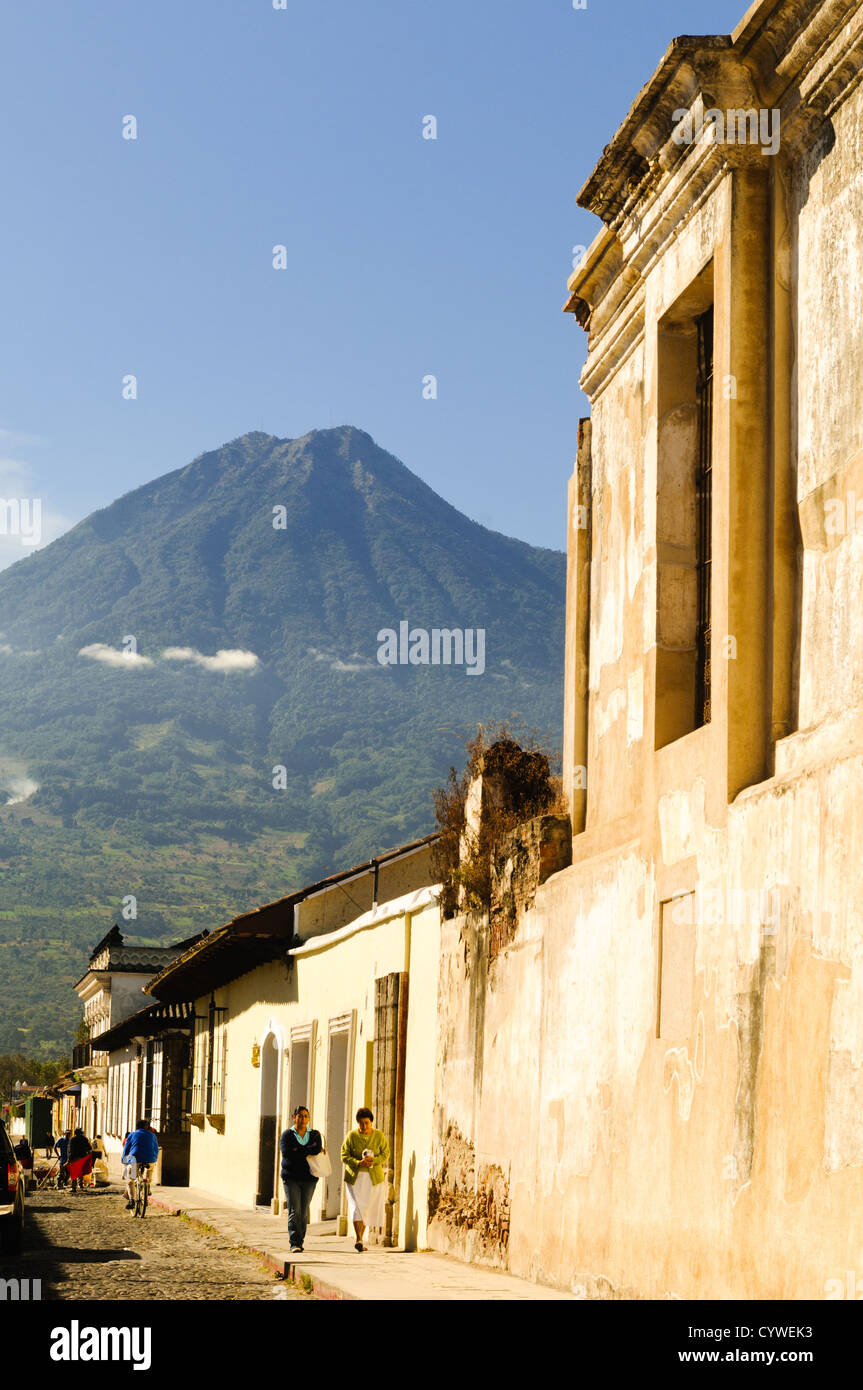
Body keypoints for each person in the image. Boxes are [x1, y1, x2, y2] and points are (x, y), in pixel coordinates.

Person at [341, 1108, 390, 1252]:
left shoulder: (379, 1136)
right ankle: (359, 1239)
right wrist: (358, 1162)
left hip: (373, 1178)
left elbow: (385, 1154)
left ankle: (361, 1239)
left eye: (367, 1123)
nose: (364, 1126)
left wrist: (374, 1161)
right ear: (358, 1123)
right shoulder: (351, 1136)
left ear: (371, 1122)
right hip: (355, 1178)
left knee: (366, 1209)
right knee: (357, 1207)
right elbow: (344, 1155)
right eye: (361, 1123)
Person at [279, 1105, 323, 1254]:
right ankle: (294, 1242)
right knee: (294, 1210)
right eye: (299, 1116)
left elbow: (316, 1149)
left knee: (304, 1211)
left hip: (309, 1179)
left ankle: (300, 1240)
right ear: (294, 1117)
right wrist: (306, 1152)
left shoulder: (315, 1134)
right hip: (291, 1178)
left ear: (308, 1119)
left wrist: (298, 1150)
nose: (302, 1119)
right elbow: (287, 1153)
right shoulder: (287, 1135)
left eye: (305, 1116)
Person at [122, 1120, 159, 1210]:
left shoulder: (132, 1134)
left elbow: (126, 1149)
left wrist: (124, 1160)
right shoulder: (152, 1135)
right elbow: (156, 1149)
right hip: (150, 1159)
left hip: (135, 1159)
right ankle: (148, 1186)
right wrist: (154, 1159)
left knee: (130, 1180)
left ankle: (132, 1200)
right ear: (147, 1127)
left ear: (137, 1127)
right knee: (149, 1174)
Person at [67, 1127, 92, 1192]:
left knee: (74, 1172)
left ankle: (74, 1187)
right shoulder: (85, 1139)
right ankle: (80, 1185)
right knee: (80, 1171)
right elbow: (89, 1148)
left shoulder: (73, 1139)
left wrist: (69, 1159)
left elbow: (71, 1150)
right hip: (83, 1157)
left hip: (75, 1157)